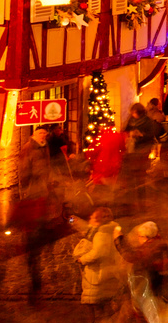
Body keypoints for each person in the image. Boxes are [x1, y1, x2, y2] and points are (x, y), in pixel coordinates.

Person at [15, 126, 62, 304]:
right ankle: (34, 279)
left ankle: (40, 247)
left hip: (43, 192)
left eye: (44, 133)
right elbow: (24, 172)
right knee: (33, 231)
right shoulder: (28, 148)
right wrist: (26, 190)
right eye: (40, 133)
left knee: (42, 225)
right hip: (33, 193)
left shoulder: (45, 147)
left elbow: (47, 167)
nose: (43, 135)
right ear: (33, 135)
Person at [71, 207, 127, 313]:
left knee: (96, 305)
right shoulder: (108, 229)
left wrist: (82, 259)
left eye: (92, 217)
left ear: (99, 220)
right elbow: (89, 229)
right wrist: (76, 222)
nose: (90, 219)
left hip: (98, 275)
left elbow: (98, 253)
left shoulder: (102, 234)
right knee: (104, 304)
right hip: (107, 272)